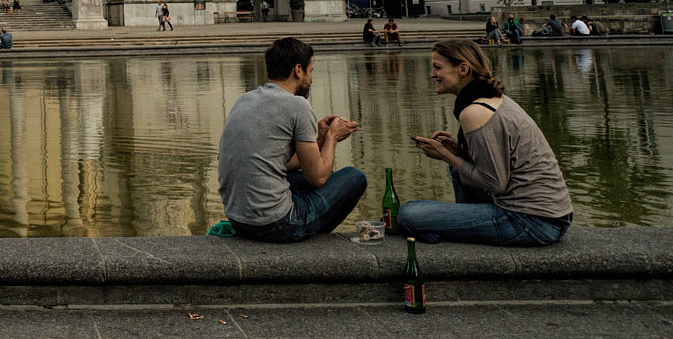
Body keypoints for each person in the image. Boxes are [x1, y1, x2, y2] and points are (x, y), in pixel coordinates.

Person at [399, 39, 572, 246]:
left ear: (463, 69)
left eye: (438, 67)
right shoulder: (493, 98)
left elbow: (494, 184)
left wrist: (445, 155)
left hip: (530, 221)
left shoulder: (474, 112)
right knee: (456, 170)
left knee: (407, 214)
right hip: (553, 216)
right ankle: (458, 228)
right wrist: (457, 150)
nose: (432, 74)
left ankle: (447, 231)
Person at [217, 37, 365, 242]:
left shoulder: (245, 99)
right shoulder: (297, 105)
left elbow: (280, 163)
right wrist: (332, 137)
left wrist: (319, 142)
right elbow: (318, 177)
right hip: (276, 224)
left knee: (310, 176)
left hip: (238, 219)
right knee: (354, 177)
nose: (311, 79)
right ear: (298, 70)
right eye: (311, 71)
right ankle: (308, 233)